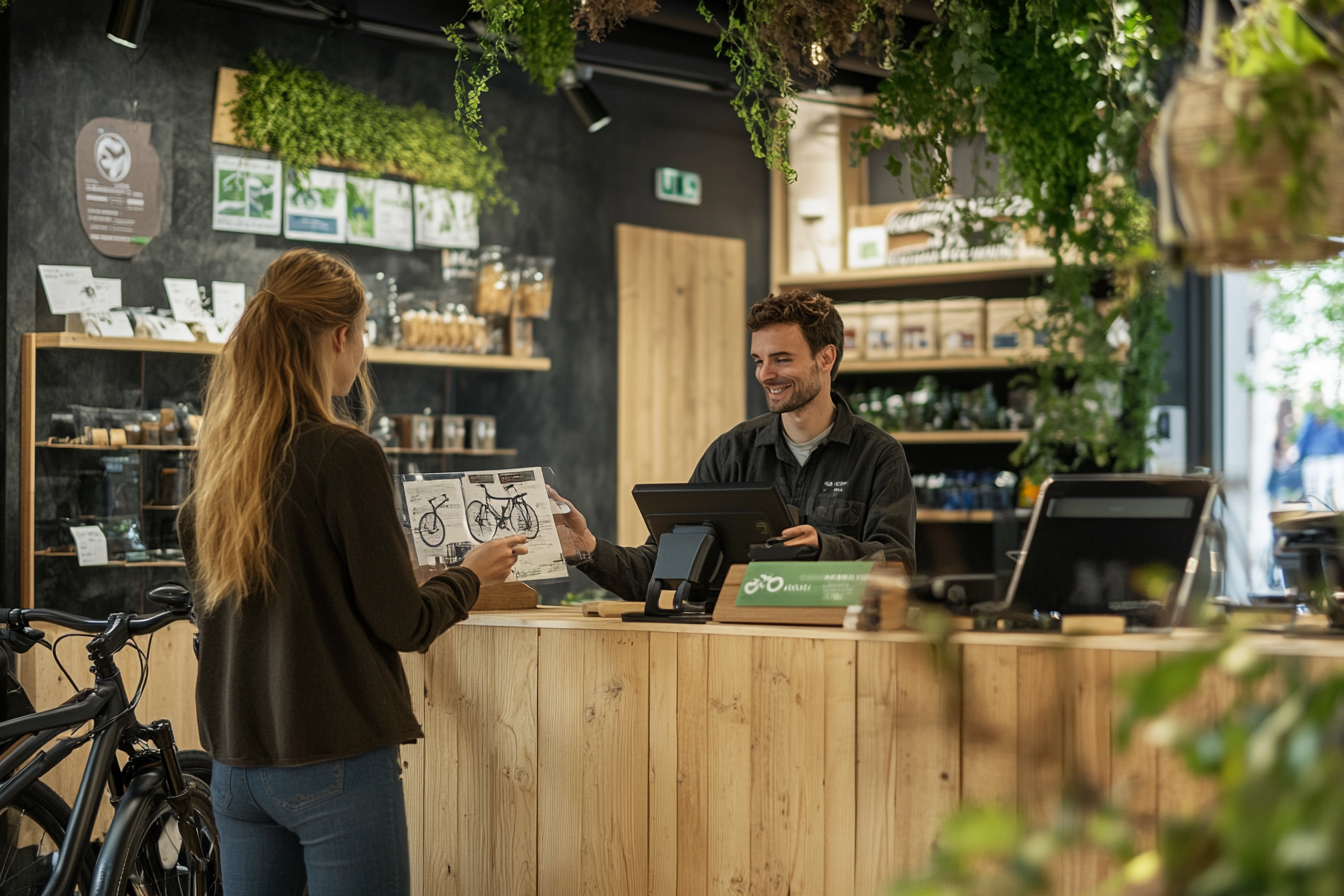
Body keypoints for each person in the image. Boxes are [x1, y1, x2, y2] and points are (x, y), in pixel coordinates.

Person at [178, 248, 527, 896]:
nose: (363, 352)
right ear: (340, 336)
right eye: (362, 333)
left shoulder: (220, 468)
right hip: (332, 761)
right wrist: (470, 574)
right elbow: (404, 623)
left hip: (235, 769)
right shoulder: (345, 454)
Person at [552, 288, 916, 601]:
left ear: (826, 357)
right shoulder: (732, 452)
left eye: (782, 359)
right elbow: (663, 566)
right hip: (735, 648)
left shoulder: (878, 455)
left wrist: (825, 548)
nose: (765, 374)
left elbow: (899, 564)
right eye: (759, 360)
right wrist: (589, 550)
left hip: (838, 646)